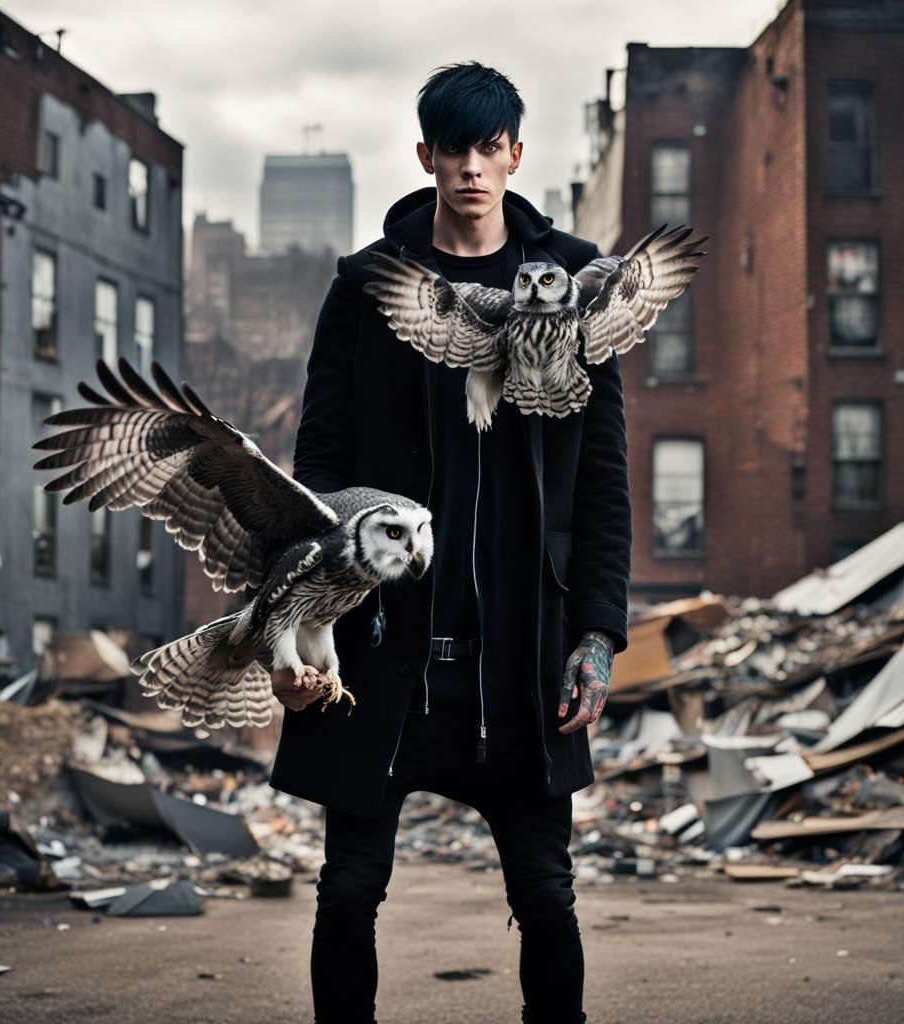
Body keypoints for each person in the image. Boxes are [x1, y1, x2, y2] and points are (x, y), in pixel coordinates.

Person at [267, 61, 631, 1024]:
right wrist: (298, 642)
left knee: (547, 897)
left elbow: (602, 480)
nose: (471, 166)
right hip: (380, 659)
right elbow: (319, 472)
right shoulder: (365, 287)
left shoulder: (575, 282)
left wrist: (595, 636)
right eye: (452, 148)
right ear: (424, 155)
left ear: (515, 154)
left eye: (489, 147)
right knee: (347, 890)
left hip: (520, 663)